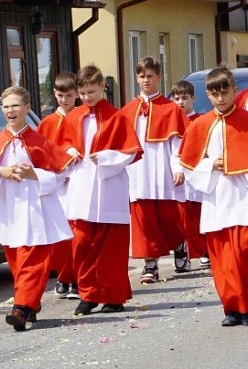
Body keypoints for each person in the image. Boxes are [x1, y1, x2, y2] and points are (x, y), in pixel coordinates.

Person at [178, 66, 248, 326]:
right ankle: (234, 308)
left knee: (247, 250)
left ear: (234, 91)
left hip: (244, 197)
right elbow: (189, 165)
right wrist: (210, 165)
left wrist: (239, 164)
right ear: (207, 95)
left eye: (225, 93)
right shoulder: (200, 125)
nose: (221, 99)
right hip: (216, 199)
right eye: (215, 94)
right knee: (223, 259)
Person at [0, 87, 73, 332]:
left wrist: (33, 174)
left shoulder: (40, 142)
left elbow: (63, 174)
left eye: (15, 105)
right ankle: (31, 306)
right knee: (17, 263)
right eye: (6, 107)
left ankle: (21, 308)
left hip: (37, 212)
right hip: (9, 212)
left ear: (27, 108)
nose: (10, 111)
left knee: (32, 262)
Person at [57, 65, 142, 316]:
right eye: (82, 93)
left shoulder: (117, 117)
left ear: (103, 86)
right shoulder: (73, 117)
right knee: (81, 243)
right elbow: (60, 145)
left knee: (110, 247)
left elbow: (130, 152)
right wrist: (69, 151)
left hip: (109, 187)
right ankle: (88, 294)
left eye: (91, 91)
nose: (86, 98)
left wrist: (106, 157)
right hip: (82, 187)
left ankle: (113, 296)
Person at [121, 57, 188, 284]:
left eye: (150, 76)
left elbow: (177, 143)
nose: (146, 80)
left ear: (159, 77)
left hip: (163, 170)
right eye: (142, 76)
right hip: (138, 172)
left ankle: (179, 243)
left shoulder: (171, 109)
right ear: (137, 78)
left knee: (170, 218)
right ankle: (150, 265)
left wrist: (178, 168)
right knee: (144, 219)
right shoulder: (128, 110)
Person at [39, 72, 79, 300]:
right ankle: (64, 276)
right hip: (57, 184)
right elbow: (41, 153)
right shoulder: (47, 123)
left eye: (69, 95)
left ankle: (76, 278)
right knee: (60, 233)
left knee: (78, 232)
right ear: (55, 94)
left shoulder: (83, 117)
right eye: (60, 95)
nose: (64, 100)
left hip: (79, 182)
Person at [170, 79, 207, 272]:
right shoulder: (172, 122)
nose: (181, 102)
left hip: (198, 172)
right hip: (179, 174)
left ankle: (203, 251)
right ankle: (184, 252)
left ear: (193, 98)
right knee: (182, 217)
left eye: (184, 98)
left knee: (199, 214)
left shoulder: (200, 121)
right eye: (176, 98)